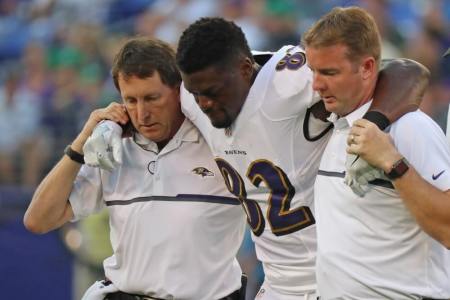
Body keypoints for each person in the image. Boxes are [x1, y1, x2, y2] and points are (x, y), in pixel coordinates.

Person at [174, 17, 429, 299]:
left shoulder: (287, 82)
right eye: (195, 93)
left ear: (245, 69)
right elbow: (148, 92)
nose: (204, 103)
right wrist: (116, 121)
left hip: (331, 282)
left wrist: (369, 127)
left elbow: (407, 71)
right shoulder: (190, 92)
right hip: (276, 283)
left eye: (212, 92)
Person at [23, 37, 247, 300]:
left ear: (179, 91)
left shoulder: (222, 143)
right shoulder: (113, 147)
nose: (142, 114)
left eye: (152, 98)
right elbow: (38, 220)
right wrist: (80, 144)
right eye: (131, 100)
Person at [304, 6, 450, 299]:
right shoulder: (334, 123)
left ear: (368, 68)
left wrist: (394, 163)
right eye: (314, 71)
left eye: (330, 72)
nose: (317, 85)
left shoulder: (410, 129)